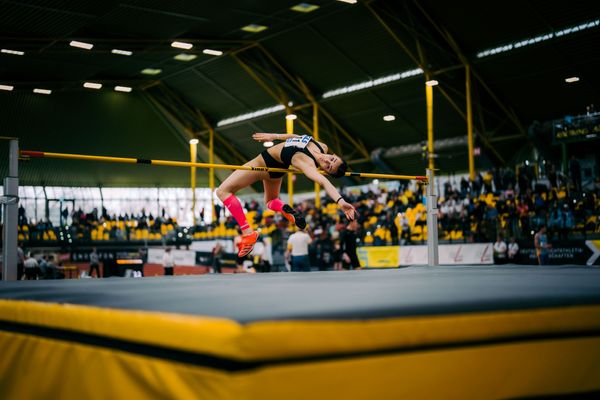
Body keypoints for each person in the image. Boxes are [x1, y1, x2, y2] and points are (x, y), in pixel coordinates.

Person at [215, 132, 356, 258]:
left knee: (222, 192)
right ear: (334, 155)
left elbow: (324, 182)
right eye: (332, 160)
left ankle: (247, 232)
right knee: (270, 201)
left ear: (325, 171)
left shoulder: (307, 164)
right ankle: (283, 207)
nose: (327, 161)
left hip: (263, 162)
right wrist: (274, 136)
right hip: (278, 169)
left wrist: (341, 201)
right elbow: (296, 138)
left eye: (328, 167)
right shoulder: (321, 146)